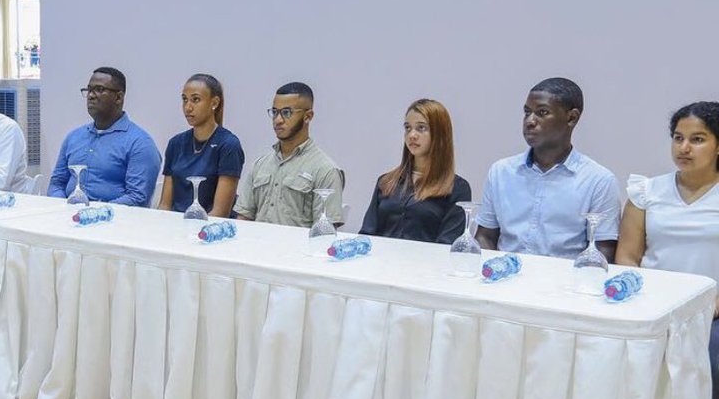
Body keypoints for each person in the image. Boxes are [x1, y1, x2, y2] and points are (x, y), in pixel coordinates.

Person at [616, 101, 719, 399]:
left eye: (697, 139)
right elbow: (627, 257)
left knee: (712, 359)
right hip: (653, 306)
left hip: (711, 311)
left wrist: (708, 308)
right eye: (678, 138)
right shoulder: (646, 192)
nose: (684, 148)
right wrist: (644, 302)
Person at [476, 77, 621, 260]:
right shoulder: (501, 172)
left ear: (571, 118)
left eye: (542, 112)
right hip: (504, 273)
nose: (530, 121)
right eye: (527, 112)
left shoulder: (598, 181)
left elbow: (603, 253)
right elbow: (485, 236)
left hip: (565, 276)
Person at [359, 98, 472, 244]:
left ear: (440, 134)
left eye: (421, 128)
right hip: (381, 257)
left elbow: (447, 244)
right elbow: (367, 234)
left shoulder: (457, 188)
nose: (412, 135)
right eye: (408, 128)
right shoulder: (386, 181)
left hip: (429, 258)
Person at [233, 81, 344, 227]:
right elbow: (243, 219)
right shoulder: (261, 164)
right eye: (275, 112)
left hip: (299, 243)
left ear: (308, 116)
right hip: (255, 241)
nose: (278, 120)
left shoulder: (325, 170)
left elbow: (325, 232)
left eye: (286, 113)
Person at [46, 67, 162, 207]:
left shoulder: (140, 143)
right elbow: (57, 184)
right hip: (67, 216)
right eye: (89, 90)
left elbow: (137, 198)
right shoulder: (73, 137)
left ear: (118, 97)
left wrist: (94, 213)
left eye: (99, 89)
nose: (91, 95)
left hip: (115, 219)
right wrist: (62, 207)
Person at [158, 74, 245, 217]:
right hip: (175, 224)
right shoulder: (175, 143)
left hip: (209, 226)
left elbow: (220, 212)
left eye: (195, 100)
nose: (188, 107)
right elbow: (165, 205)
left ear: (214, 103)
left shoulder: (228, 145)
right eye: (184, 99)